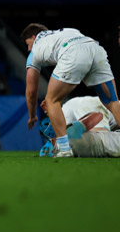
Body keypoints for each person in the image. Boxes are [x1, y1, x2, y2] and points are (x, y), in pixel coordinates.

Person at [21, 24, 120, 158]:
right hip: (94, 47)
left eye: (28, 44)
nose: (29, 48)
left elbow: (31, 92)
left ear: (34, 37)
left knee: (51, 100)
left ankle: (64, 149)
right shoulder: (66, 31)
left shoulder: (35, 50)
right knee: (112, 101)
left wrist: (32, 115)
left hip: (72, 52)